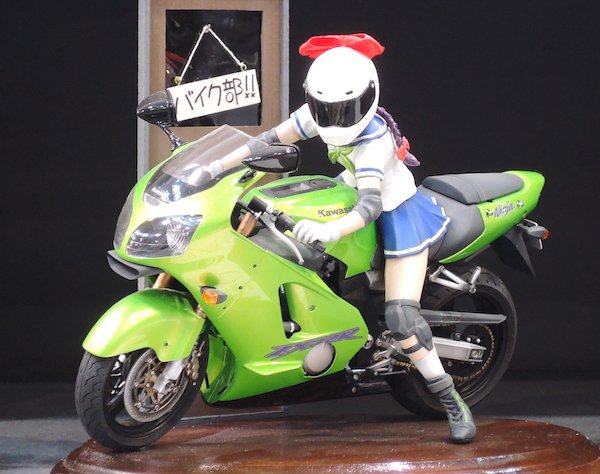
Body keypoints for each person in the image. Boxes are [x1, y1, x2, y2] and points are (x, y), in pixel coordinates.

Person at [214, 33, 476, 444]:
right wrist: (215, 167)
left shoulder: (374, 142)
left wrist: (330, 230)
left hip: (396, 213)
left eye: (343, 110)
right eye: (327, 110)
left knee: (402, 317)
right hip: (346, 193)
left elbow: (372, 204)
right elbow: (268, 140)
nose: (334, 120)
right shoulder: (319, 113)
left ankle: (451, 401)